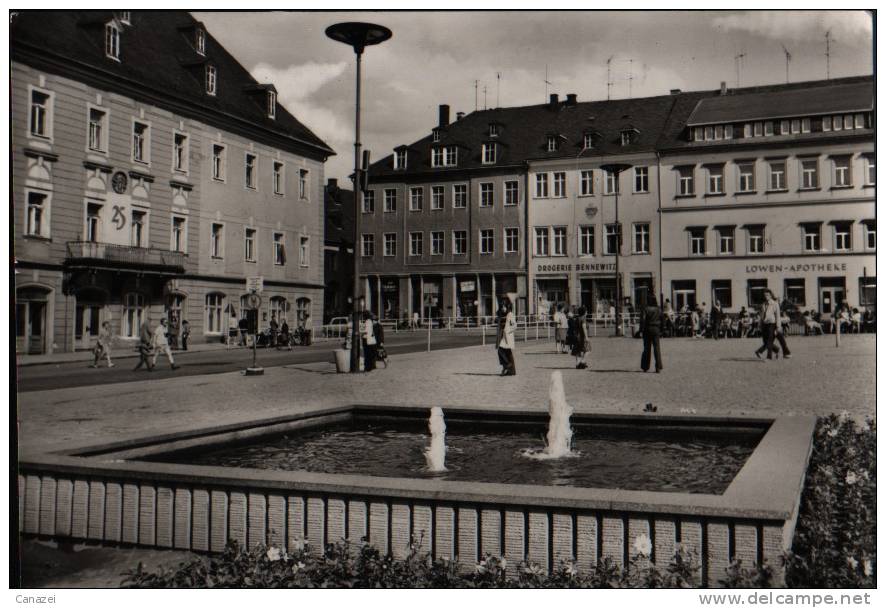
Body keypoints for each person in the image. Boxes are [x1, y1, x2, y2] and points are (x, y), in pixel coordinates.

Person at [755, 290, 782, 361]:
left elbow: (778, 316)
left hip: (772, 324)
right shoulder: (763, 304)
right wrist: (760, 325)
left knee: (769, 340)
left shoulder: (775, 304)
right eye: (765, 295)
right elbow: (761, 316)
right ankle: (777, 350)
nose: (766, 296)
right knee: (765, 341)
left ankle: (768, 357)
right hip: (764, 324)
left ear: (770, 295)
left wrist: (778, 326)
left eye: (767, 295)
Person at [640, 294, 663, 373]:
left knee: (646, 348)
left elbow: (643, 320)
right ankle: (658, 367)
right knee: (657, 348)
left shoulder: (645, 309)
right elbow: (662, 319)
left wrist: (641, 330)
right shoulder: (659, 309)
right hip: (656, 329)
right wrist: (662, 330)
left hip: (647, 329)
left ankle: (645, 366)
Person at [496, 300, 517, 376]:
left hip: (508, 337)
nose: (503, 308)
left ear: (507, 307)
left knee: (501, 350)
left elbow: (515, 326)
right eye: (501, 307)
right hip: (502, 336)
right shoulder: (501, 315)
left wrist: (508, 331)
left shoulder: (510, 314)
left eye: (504, 307)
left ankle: (507, 365)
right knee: (507, 353)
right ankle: (511, 371)